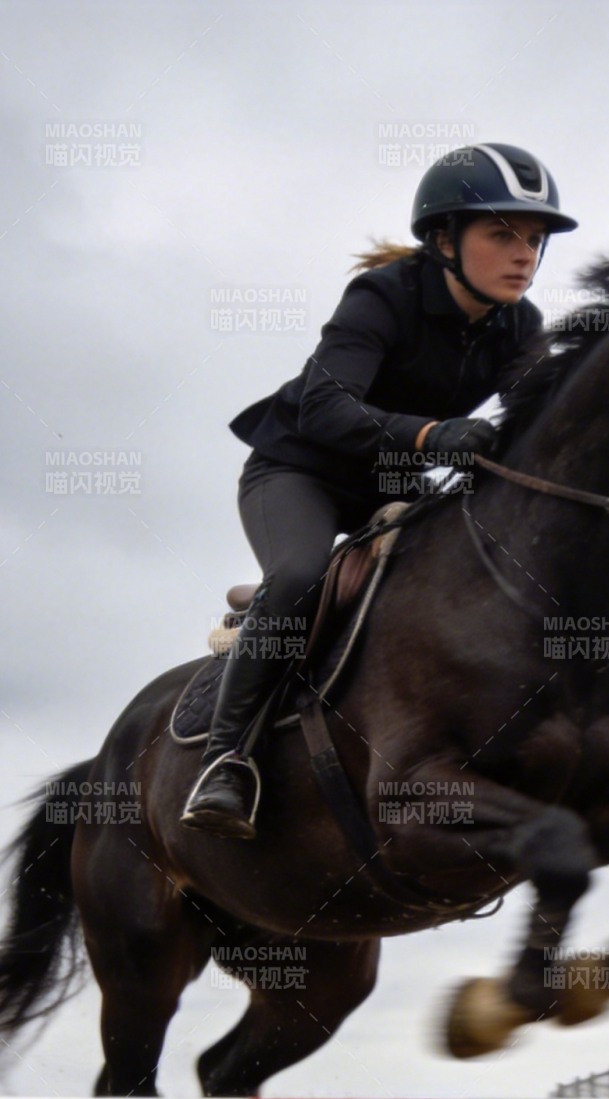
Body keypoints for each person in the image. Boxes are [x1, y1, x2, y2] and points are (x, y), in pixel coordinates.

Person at [181, 143, 578, 840]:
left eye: (536, 240)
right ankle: (226, 761)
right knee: (301, 574)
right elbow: (325, 410)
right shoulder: (382, 296)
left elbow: (538, 428)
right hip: (299, 470)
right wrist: (432, 437)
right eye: (503, 235)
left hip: (392, 484)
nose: (525, 255)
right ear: (445, 240)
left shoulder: (522, 326)